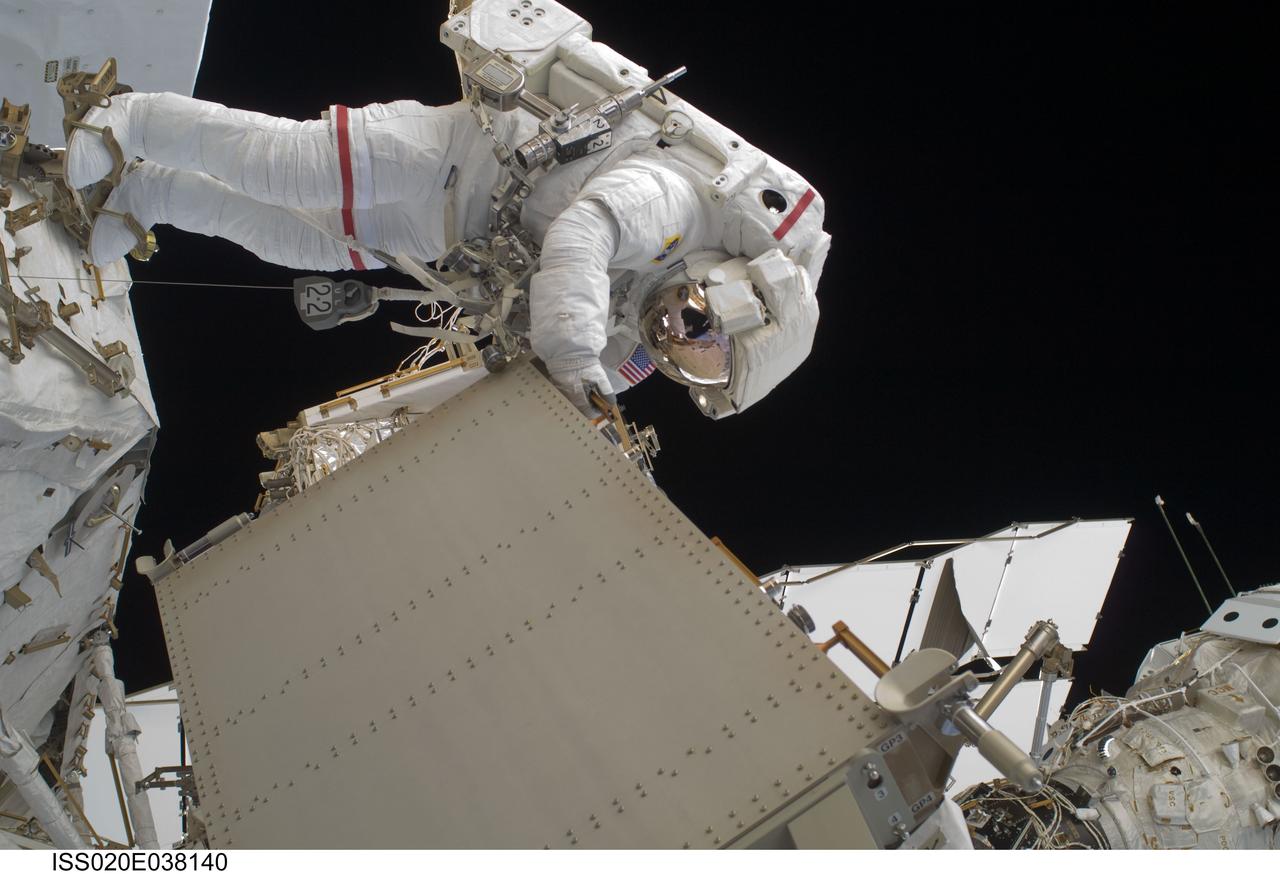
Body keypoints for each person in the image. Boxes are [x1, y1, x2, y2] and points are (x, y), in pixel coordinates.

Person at [65, 27, 830, 418]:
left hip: (440, 239)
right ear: (731, 291)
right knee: (280, 164)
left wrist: (582, 403)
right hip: (445, 155)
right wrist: (573, 360)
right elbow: (582, 234)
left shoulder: (631, 333)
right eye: (700, 330)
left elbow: (586, 375)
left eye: (691, 364)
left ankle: (148, 197)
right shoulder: (675, 208)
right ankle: (129, 121)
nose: (675, 341)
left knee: (286, 236)